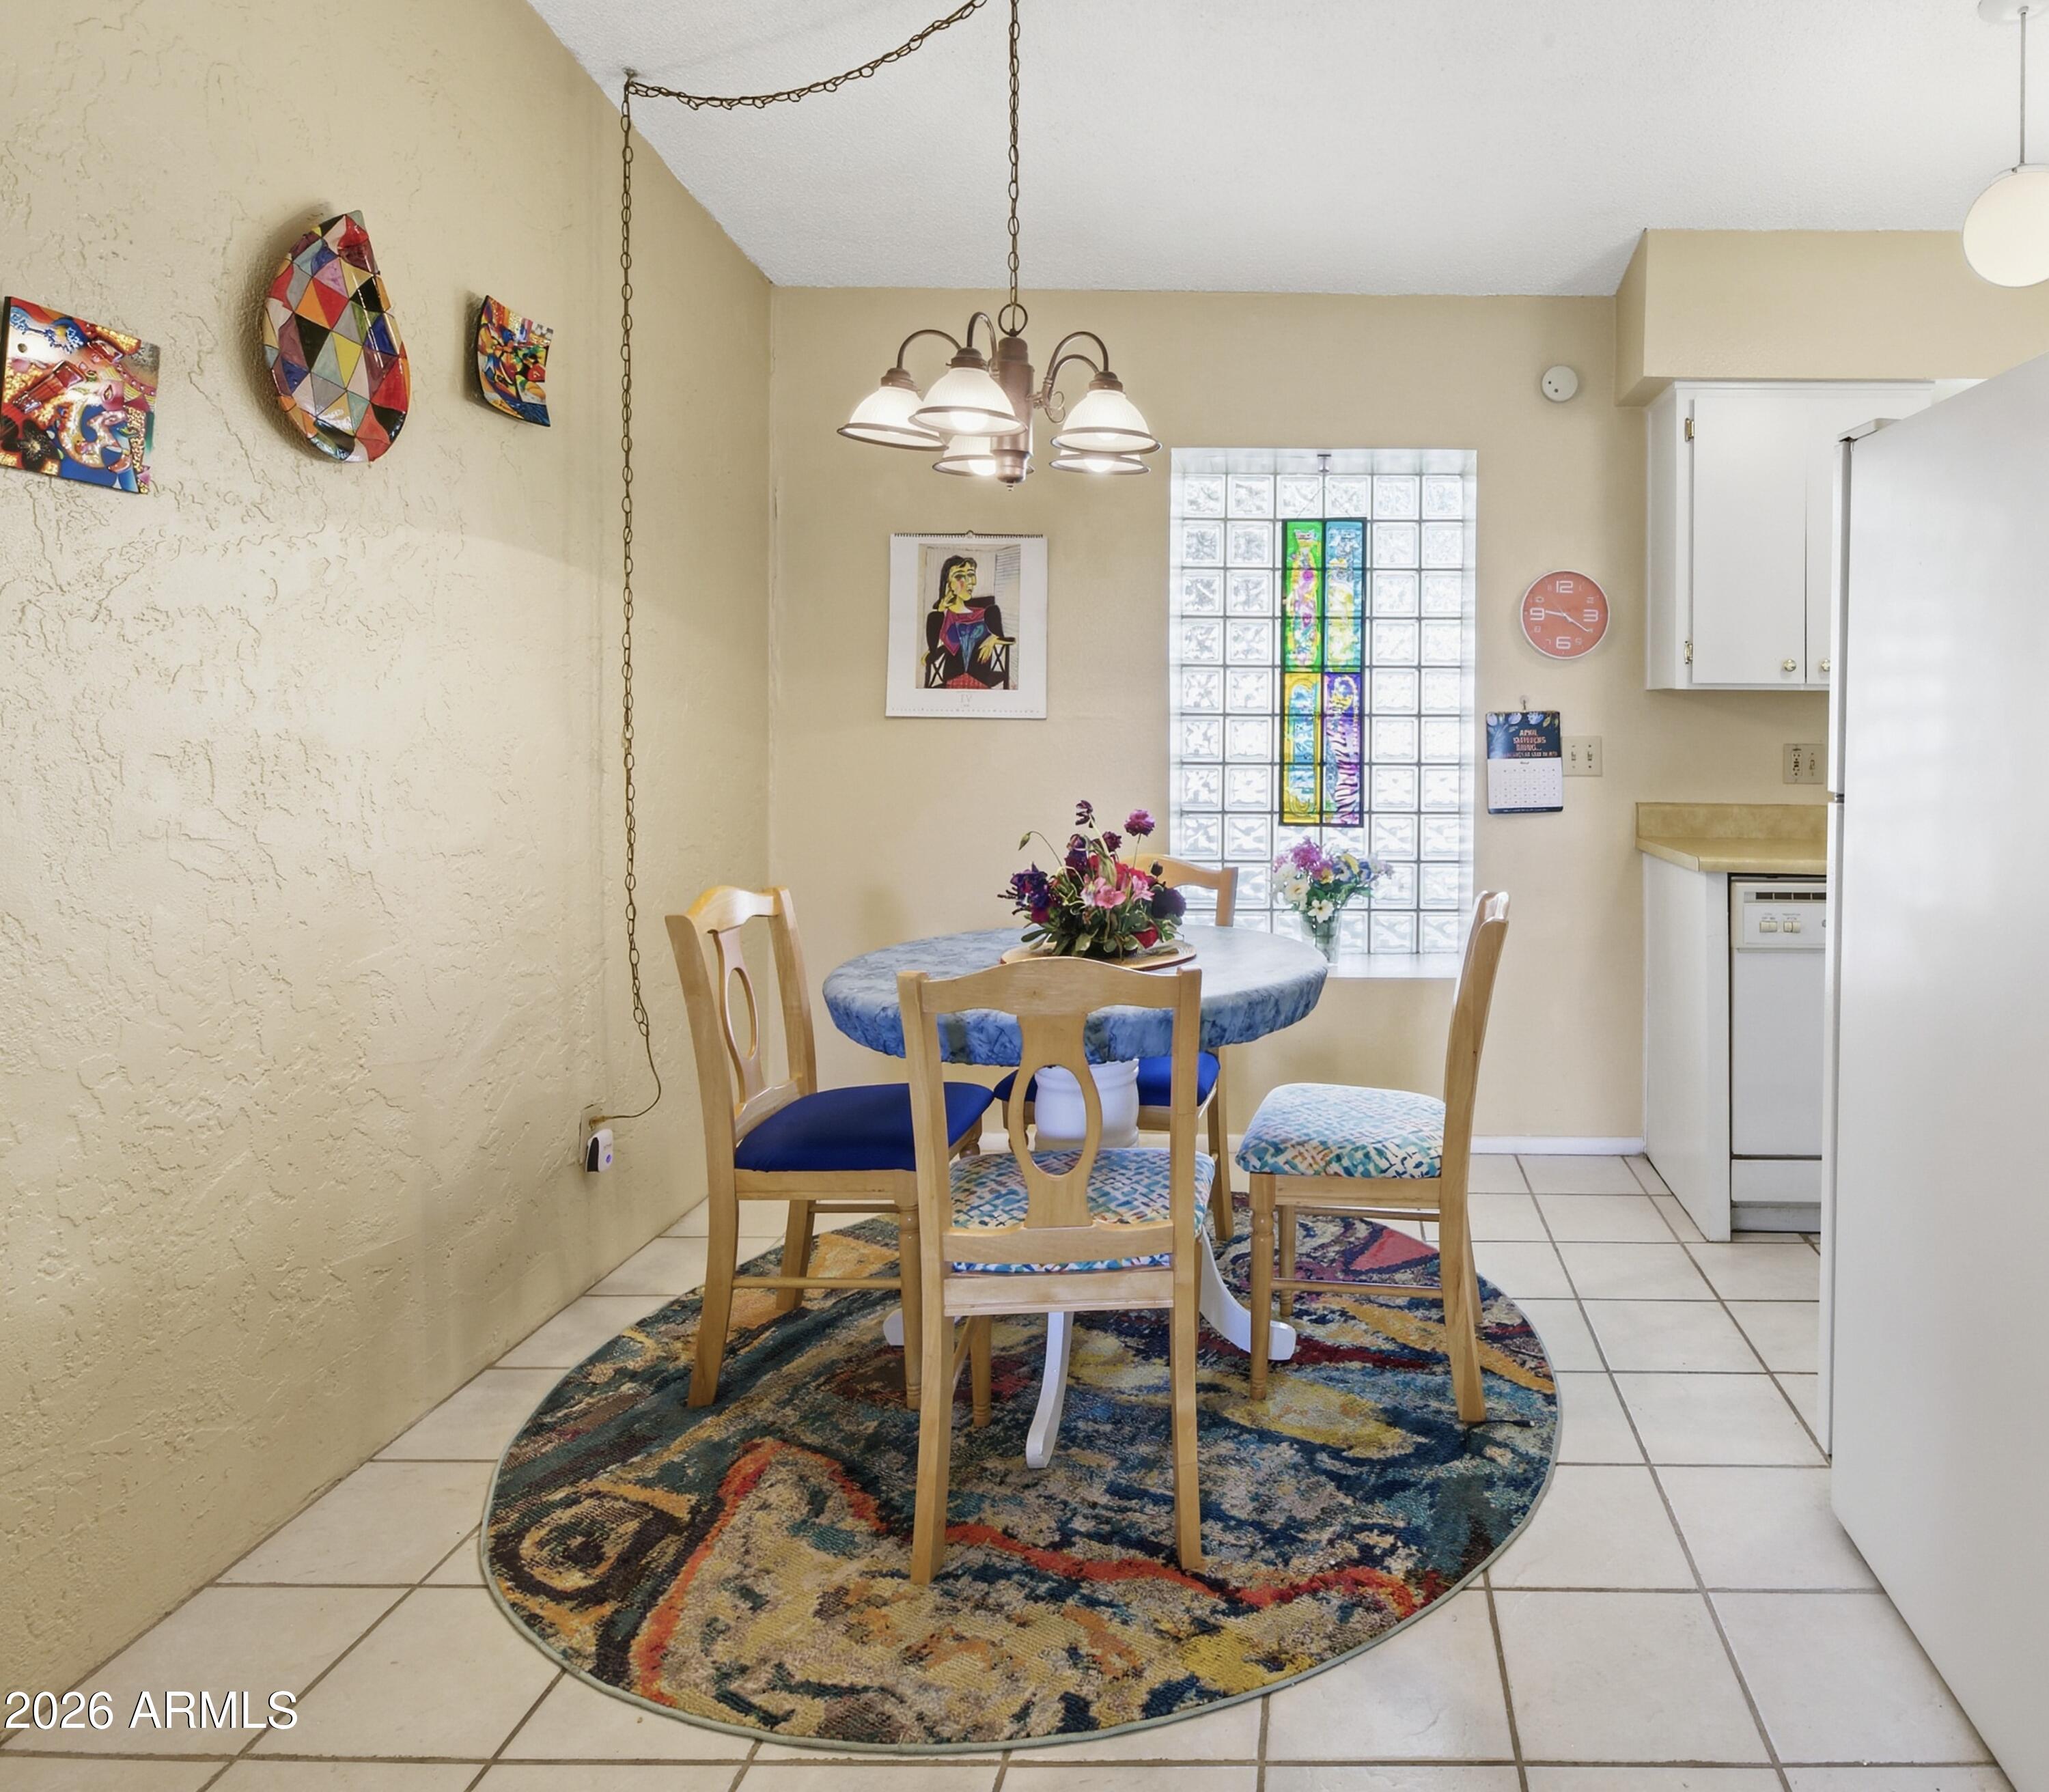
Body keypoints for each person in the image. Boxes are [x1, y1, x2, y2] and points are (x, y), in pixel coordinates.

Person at [923, 552, 1014, 689]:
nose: (971, 582)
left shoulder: (988, 613)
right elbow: (932, 652)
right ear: (948, 584)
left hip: (980, 678)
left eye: (971, 575)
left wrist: (992, 640)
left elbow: (1009, 640)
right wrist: (941, 609)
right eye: (959, 577)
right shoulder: (940, 616)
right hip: (952, 678)